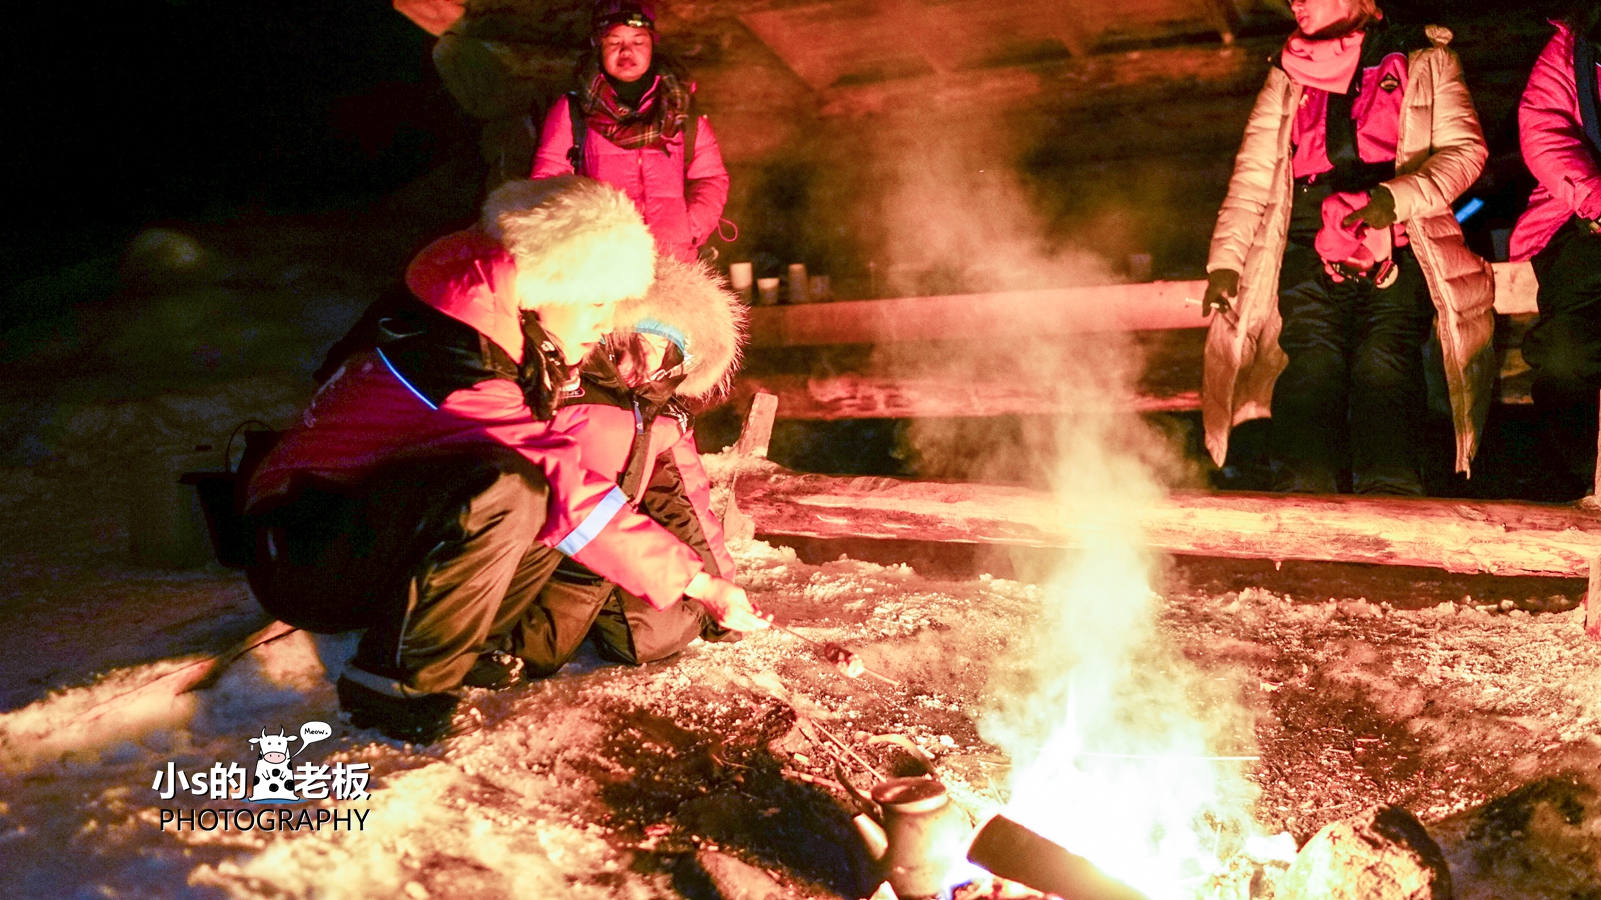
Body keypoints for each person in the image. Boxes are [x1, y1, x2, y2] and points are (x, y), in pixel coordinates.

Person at [243, 176, 767, 743]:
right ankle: (392, 689)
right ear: (547, 285)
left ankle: (475, 645)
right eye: (596, 300)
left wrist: (709, 582)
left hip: (358, 534)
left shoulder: (492, 329)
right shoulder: (456, 350)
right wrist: (700, 585)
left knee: (538, 494)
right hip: (301, 549)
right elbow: (559, 482)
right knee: (517, 487)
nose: (605, 321)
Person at [1199, 0, 1495, 495]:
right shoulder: (1287, 74)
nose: (1295, 1)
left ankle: (1392, 495)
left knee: (1385, 357)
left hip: (1401, 230)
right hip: (1306, 237)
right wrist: (1225, 263)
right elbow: (1251, 178)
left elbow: (1467, 151)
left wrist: (1391, 200)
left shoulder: (1424, 59)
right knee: (1313, 357)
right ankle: (1304, 496)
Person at [513, 254, 747, 676]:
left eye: (662, 351)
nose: (640, 362)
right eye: (631, 342)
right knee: (540, 649)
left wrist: (720, 593)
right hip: (543, 547)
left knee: (654, 633)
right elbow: (566, 498)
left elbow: (685, 502)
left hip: (612, 546)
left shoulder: (663, 416)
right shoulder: (560, 391)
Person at [531, 0, 730, 263]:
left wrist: (690, 228)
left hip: (673, 261)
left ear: (652, 45)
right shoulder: (572, 110)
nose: (627, 52)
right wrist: (580, 236)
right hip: (601, 263)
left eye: (638, 42)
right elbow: (547, 183)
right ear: (597, 45)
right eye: (614, 42)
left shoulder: (681, 108)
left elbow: (710, 177)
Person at [1509, 1, 1601, 499]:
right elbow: (1543, 130)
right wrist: (1597, 200)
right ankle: (1576, 485)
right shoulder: (1569, 49)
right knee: (1567, 351)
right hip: (1583, 223)